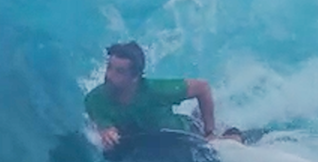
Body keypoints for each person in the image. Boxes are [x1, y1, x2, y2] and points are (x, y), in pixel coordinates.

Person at [83, 41, 217, 153]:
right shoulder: (94, 99)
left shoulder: (155, 90)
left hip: (187, 134)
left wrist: (209, 133)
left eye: (120, 72)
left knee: (219, 137)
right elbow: (102, 123)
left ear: (135, 77)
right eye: (109, 67)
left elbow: (202, 87)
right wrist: (105, 130)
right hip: (147, 144)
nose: (109, 75)